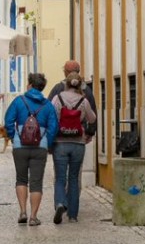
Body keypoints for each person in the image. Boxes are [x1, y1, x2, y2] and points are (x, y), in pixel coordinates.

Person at [4, 73, 59, 226]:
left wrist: (14, 137)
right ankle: (33, 217)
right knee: (36, 182)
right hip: (39, 148)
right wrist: (46, 141)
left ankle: (22, 212)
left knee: (21, 179)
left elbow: (8, 121)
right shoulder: (48, 105)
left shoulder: (18, 101)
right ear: (42, 87)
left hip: (19, 147)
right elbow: (54, 127)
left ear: (30, 84)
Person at [51, 72, 96, 225]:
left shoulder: (58, 98)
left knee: (60, 178)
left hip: (60, 142)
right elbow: (92, 118)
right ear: (80, 84)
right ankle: (73, 215)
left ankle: (60, 203)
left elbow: (51, 116)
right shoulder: (83, 100)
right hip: (78, 142)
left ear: (66, 84)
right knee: (74, 179)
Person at [47, 60, 97, 135]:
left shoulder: (57, 90)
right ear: (78, 72)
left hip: (60, 134)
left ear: (66, 73)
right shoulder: (87, 90)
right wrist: (90, 132)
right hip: (79, 134)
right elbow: (92, 116)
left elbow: (49, 111)